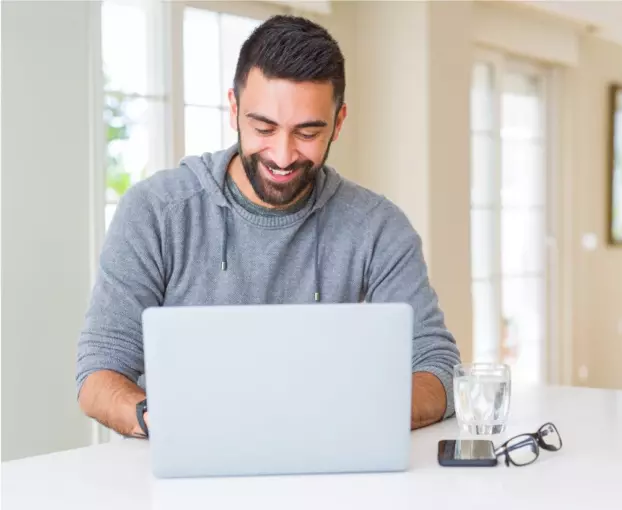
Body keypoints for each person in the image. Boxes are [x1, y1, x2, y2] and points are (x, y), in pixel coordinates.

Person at [76, 15, 460, 439]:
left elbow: (435, 365)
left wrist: (352, 412)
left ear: (339, 121)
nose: (282, 154)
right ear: (234, 109)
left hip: (329, 459)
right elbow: (99, 374)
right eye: (264, 128)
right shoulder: (157, 212)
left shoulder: (378, 227)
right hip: (184, 468)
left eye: (307, 133)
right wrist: (160, 419)